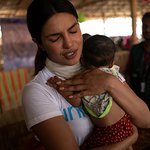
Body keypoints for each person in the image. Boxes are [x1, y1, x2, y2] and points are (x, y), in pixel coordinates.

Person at [22, 0, 150, 150]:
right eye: (55, 38)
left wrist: (110, 82)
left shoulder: (100, 66)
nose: (69, 43)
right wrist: (127, 141)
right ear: (40, 44)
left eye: (73, 31)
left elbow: (146, 120)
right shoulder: (39, 90)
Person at [125, 12, 150, 109]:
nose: (147, 29)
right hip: (137, 98)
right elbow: (128, 73)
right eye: (145, 26)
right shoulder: (135, 49)